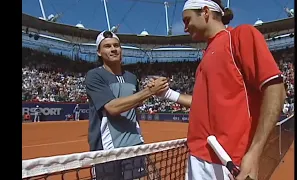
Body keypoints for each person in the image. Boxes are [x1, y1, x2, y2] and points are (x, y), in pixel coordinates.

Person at [149, 0, 286, 179]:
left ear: (205, 12)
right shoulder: (206, 55)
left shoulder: (240, 35)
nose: (185, 28)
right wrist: (167, 94)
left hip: (229, 160)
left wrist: (254, 154)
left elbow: (276, 88)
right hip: (198, 157)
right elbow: (202, 104)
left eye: (187, 20)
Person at [84, 30, 168, 180]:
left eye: (116, 45)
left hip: (134, 146)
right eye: (107, 46)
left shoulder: (132, 77)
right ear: (99, 52)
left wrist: (150, 89)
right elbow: (112, 108)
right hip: (107, 150)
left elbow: (134, 104)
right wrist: (149, 91)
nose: (113, 49)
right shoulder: (94, 75)